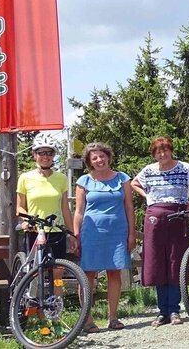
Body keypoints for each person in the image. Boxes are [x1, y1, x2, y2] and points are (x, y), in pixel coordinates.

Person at [132, 136, 189, 327]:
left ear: (171, 150)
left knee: (176, 261)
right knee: (157, 262)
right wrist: (147, 195)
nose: (162, 154)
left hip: (177, 216)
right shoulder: (149, 170)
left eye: (165, 150)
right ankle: (162, 311)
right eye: (158, 151)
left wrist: (188, 205)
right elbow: (134, 183)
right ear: (154, 154)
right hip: (154, 219)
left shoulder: (184, 168)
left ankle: (175, 310)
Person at [73, 142, 135, 333]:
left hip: (117, 232)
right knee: (88, 275)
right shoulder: (84, 181)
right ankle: (87, 319)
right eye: (94, 158)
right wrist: (76, 236)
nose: (99, 160)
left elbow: (129, 207)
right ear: (89, 162)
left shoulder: (122, 178)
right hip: (91, 233)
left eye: (102, 156)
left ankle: (113, 317)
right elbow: (79, 211)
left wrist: (132, 233)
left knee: (114, 273)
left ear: (108, 156)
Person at [16, 133, 78, 260]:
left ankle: (56, 281)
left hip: (56, 230)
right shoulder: (25, 178)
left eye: (49, 153)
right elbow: (19, 208)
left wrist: (72, 234)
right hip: (34, 230)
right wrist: (27, 220)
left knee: (57, 272)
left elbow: (65, 209)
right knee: (34, 271)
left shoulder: (61, 178)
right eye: (41, 152)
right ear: (34, 155)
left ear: (53, 156)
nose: (46, 156)